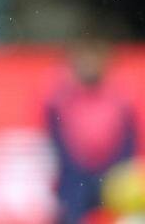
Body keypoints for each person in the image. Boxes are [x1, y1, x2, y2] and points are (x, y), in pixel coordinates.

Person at [45, 33, 137, 224]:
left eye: (94, 60)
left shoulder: (121, 99)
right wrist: (77, 172)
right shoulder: (60, 99)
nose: (89, 66)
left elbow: (128, 142)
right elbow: (58, 142)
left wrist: (115, 172)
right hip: (73, 175)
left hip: (112, 172)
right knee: (71, 212)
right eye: (84, 60)